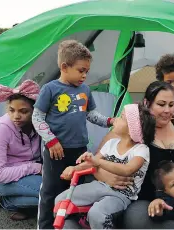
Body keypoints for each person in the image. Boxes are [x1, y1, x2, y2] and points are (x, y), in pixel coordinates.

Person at [84, 81, 174, 229]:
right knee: (139, 218)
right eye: (161, 104)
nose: (168, 110)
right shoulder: (129, 130)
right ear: (147, 103)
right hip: (146, 202)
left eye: (171, 104)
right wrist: (105, 176)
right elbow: (95, 160)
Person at [32, 40, 115, 229]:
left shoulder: (85, 90)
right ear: (64, 67)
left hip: (79, 151)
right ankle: (45, 226)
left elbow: (91, 115)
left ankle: (69, 224)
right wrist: (51, 141)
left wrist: (110, 121)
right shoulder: (50, 89)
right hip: (56, 150)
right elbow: (37, 118)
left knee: (75, 191)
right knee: (51, 191)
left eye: (87, 70)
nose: (85, 75)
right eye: (81, 70)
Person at [55, 104, 155, 229]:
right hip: (100, 185)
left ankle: (93, 221)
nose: (116, 119)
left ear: (132, 129)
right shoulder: (111, 143)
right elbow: (93, 162)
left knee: (97, 214)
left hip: (121, 196)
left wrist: (98, 162)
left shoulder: (141, 150)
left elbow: (127, 170)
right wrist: (74, 169)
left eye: (121, 117)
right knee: (60, 201)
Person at [0, 80, 42, 221]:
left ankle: (12, 201)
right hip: (4, 180)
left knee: (59, 193)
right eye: (12, 110)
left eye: (23, 111)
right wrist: (35, 167)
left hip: (30, 175)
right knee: (51, 195)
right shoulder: (3, 128)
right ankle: (7, 201)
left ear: (34, 111)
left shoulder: (40, 124)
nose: (16, 116)